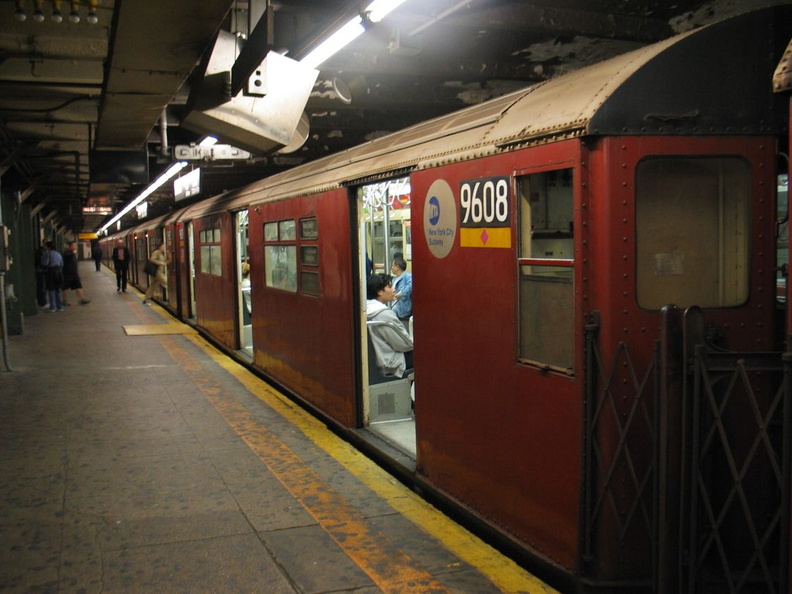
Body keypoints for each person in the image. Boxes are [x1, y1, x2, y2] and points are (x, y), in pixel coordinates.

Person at [366, 273, 413, 378]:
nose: (393, 290)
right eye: (389, 287)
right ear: (379, 292)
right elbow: (405, 345)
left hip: (376, 359)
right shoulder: (384, 314)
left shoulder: (366, 309)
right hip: (390, 361)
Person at [62, 241, 90, 305]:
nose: (75, 247)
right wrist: (73, 253)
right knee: (65, 287)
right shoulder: (66, 253)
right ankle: (64, 300)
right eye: (74, 246)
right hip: (68, 273)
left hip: (74, 273)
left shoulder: (71, 253)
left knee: (78, 286)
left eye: (75, 246)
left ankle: (81, 299)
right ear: (70, 246)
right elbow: (67, 259)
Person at [40, 241, 64, 312]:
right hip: (58, 272)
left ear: (48, 247)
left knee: (51, 289)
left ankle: (53, 306)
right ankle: (59, 306)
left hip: (51, 272)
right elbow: (62, 264)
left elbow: (45, 263)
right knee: (57, 289)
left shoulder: (48, 254)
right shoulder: (58, 254)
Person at [390, 256, 412, 323]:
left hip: (402, 308)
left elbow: (411, 286)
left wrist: (401, 293)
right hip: (393, 306)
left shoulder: (407, 276)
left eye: (392, 266)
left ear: (397, 267)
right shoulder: (394, 279)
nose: (391, 268)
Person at [34, 239, 48, 308]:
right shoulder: (42, 251)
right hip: (41, 271)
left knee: (43, 286)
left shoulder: (43, 251)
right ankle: (43, 302)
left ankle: (42, 301)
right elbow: (42, 262)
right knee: (42, 287)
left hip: (42, 270)